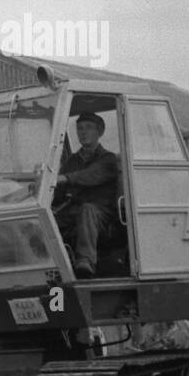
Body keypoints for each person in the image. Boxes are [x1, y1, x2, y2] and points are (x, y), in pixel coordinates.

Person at [53, 112, 121, 278]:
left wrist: (64, 178)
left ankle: (85, 260)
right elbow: (59, 191)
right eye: (80, 128)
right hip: (74, 211)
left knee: (87, 209)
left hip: (102, 215)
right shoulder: (72, 161)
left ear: (100, 132)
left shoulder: (108, 159)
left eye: (88, 128)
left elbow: (90, 175)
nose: (83, 132)